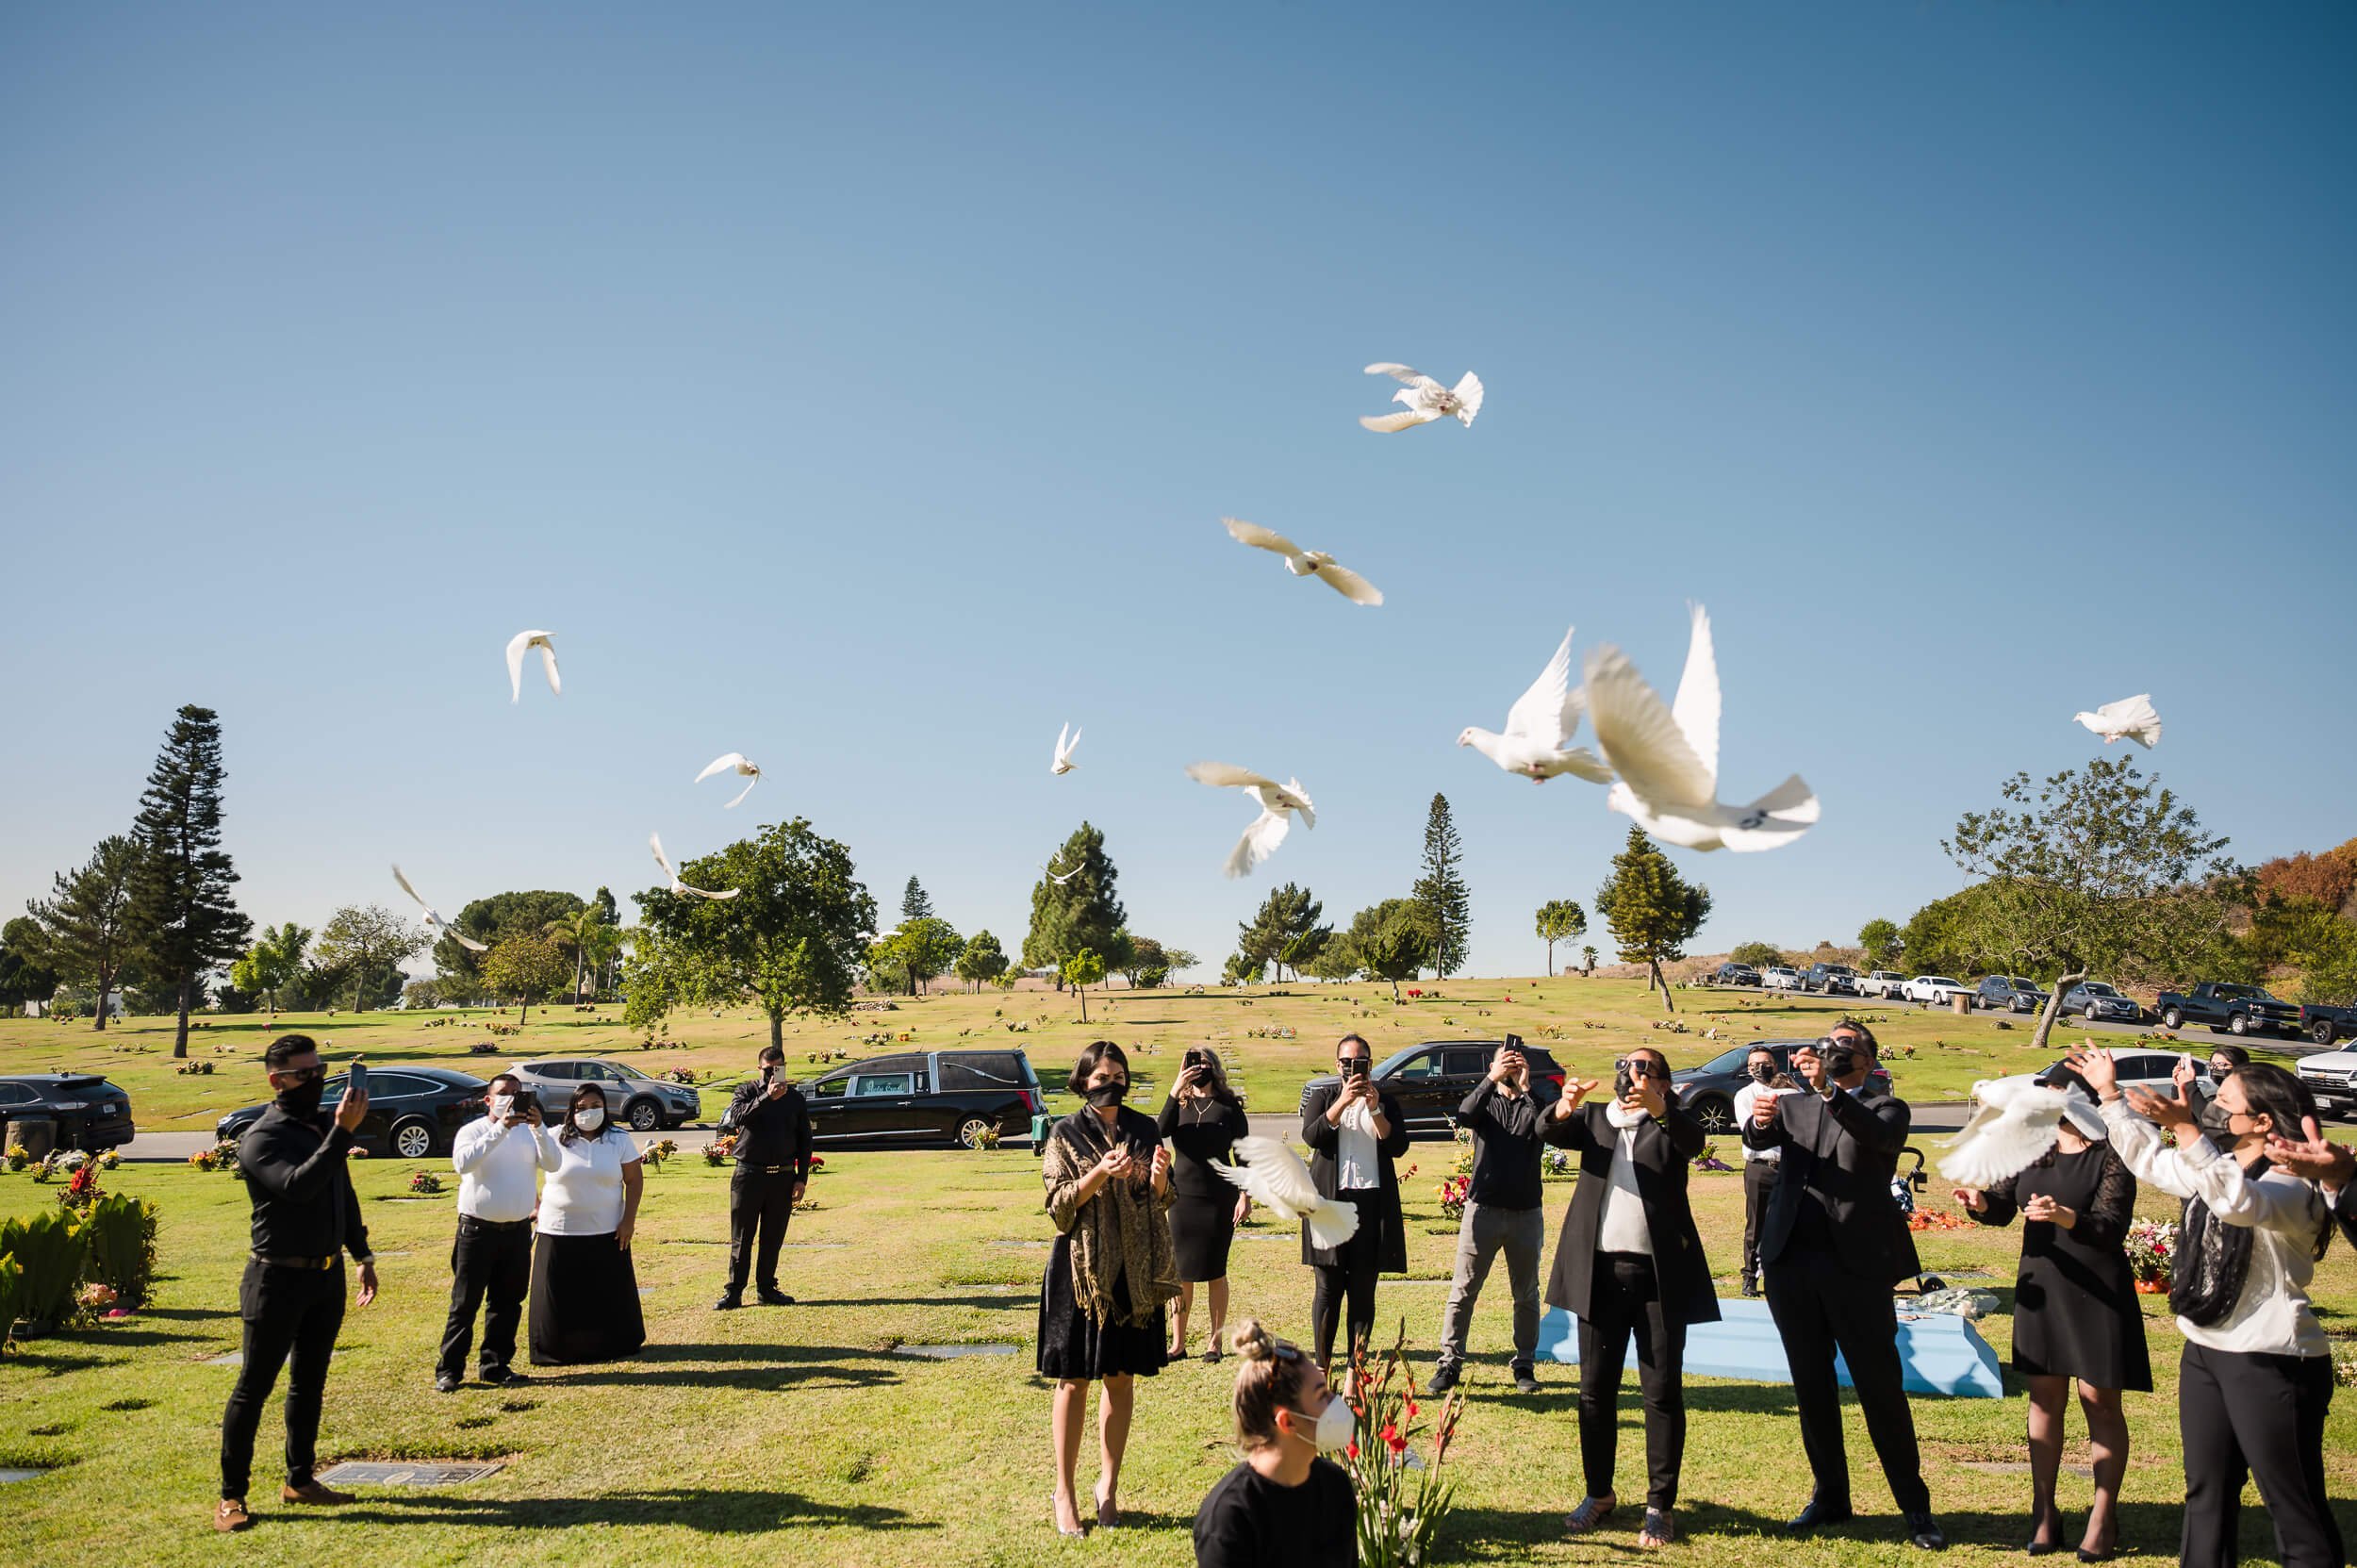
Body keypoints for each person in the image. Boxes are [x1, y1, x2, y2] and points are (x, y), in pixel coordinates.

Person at [2071, 1046, 2341, 1568]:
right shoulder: (2218, 1163)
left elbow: (2239, 1203)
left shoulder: (2294, 1183)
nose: (2215, 1108)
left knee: (2293, 1504)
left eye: (2227, 1104)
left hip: (2271, 1360)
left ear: (2263, 1121)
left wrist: (2190, 1131)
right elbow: (2151, 1160)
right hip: (2206, 1350)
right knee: (2206, 1491)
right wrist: (2109, 1097)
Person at [1743, 1020, 1944, 1550]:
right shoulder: (1796, 1104)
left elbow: (1876, 1140)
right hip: (1792, 1262)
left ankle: (1915, 1508)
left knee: (1880, 1388)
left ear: (1867, 1059)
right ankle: (1830, 1495)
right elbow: (1758, 1139)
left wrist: (1831, 1091)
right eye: (1828, 1042)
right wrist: (1763, 1118)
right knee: (1812, 1387)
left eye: (1845, 1045)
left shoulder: (1885, 1107)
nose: (1833, 1050)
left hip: (1857, 1267)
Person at [1952, 1089, 2149, 1560]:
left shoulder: (2112, 1149)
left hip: (2098, 1286)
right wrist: (1978, 1202)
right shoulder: (2031, 1144)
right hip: (2042, 1281)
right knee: (2044, 1398)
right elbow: (2002, 1206)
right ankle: (2045, 1510)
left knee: (2098, 1399)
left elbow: (2111, 1226)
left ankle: (2104, 1514)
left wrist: (2066, 1216)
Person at [1541, 1045, 1716, 1549]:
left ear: (1663, 1082)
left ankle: (1660, 1505)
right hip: (1599, 1273)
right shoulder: (1596, 1120)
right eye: (1625, 1066)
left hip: (1659, 1277)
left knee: (1661, 1393)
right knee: (1594, 1393)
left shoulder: (1672, 1123)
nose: (1632, 1074)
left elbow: (1692, 1142)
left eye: (1645, 1069)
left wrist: (1662, 1111)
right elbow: (1546, 1132)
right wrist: (1563, 1105)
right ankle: (1598, 1494)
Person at [215, 1034, 380, 1533]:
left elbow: (339, 1191)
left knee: (309, 1383)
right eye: (305, 1075)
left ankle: (299, 1479)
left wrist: (362, 1254)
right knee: (254, 1388)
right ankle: (230, 1497)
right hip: (275, 1278)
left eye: (320, 1071)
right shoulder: (262, 1137)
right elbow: (297, 1187)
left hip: (324, 1277)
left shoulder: (318, 1127)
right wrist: (340, 1133)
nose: (317, 1082)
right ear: (277, 1080)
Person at [1039, 1041, 1178, 1537]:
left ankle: (1108, 1488)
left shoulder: (1146, 1128)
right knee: (1073, 1380)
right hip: (1082, 1275)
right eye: (1100, 1077)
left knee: (1120, 1379)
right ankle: (1065, 1492)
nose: (1110, 1083)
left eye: (1118, 1075)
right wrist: (1099, 1173)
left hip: (1133, 1277)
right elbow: (1057, 1208)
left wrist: (1160, 1180)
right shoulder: (1065, 1132)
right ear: (1082, 1082)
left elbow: (1165, 1197)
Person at [1430, 1039, 1553, 1395]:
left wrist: (1527, 1087)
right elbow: (1464, 1115)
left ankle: (1525, 1364)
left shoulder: (1536, 1100)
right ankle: (1449, 1362)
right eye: (1504, 1062)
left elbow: (1547, 1128)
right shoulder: (1486, 1102)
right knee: (1463, 1290)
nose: (1511, 1067)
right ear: (1493, 1066)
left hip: (1526, 1212)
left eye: (1516, 1062)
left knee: (1526, 1293)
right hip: (1482, 1210)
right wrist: (1491, 1079)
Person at [1192, 1320, 1358, 1568]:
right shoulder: (1229, 1519)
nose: (1335, 1401)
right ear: (1287, 1422)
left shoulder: (1336, 1487)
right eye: (1322, 1395)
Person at [436, 1071, 557, 1393]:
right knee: (465, 1304)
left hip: (516, 1231)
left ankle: (495, 1365)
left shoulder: (530, 1134)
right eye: (504, 1092)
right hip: (477, 1230)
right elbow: (463, 1164)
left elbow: (553, 1163)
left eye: (517, 1092)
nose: (510, 1097)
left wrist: (539, 1127)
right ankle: (449, 1370)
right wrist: (501, 1128)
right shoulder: (472, 1130)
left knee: (507, 1302)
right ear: (488, 1099)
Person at [1298, 1033, 1410, 1372]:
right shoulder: (1324, 1095)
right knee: (1328, 1289)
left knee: (1363, 1291)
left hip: (1370, 1204)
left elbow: (1397, 1147)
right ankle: (1322, 1367)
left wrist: (1373, 1107)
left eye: (1359, 1062)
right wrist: (1343, 1102)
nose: (1352, 1068)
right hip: (1330, 1203)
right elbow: (1312, 1136)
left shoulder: (1385, 1102)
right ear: (1338, 1066)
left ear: (1370, 1064)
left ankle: (1354, 1369)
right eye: (1346, 1063)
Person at [529, 1082, 646, 1366]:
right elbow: (524, 1167)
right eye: (581, 1108)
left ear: (605, 1108)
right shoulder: (555, 1137)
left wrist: (628, 1220)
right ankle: (555, 1349)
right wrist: (533, 1204)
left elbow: (634, 1180)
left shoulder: (618, 1139)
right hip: (558, 1230)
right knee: (558, 1296)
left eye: (595, 1106)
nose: (588, 1112)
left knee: (605, 1295)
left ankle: (610, 1347)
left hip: (606, 1230)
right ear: (571, 1110)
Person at [1159, 1047, 1251, 1362]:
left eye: (1206, 1064)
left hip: (1218, 1198)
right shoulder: (1180, 1103)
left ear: (1216, 1068)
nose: (1200, 1070)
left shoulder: (1229, 1107)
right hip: (1182, 1197)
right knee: (1181, 1272)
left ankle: (1215, 1342)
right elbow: (1158, 1131)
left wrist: (1245, 1195)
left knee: (1215, 1270)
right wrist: (1176, 1086)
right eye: (1194, 1065)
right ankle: (1178, 1343)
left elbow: (1243, 1155)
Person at [715, 1044, 814, 1311]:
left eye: (778, 1069)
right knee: (742, 1237)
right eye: (769, 1070)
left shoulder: (795, 1099)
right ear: (759, 1068)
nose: (773, 1074)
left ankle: (767, 1288)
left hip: (781, 1177)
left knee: (773, 1237)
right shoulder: (746, 1092)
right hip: (749, 1175)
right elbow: (738, 1117)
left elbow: (805, 1140)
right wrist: (766, 1097)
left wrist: (801, 1178)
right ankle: (734, 1292)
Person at [1731, 1045, 1793, 1297]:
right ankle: (1750, 1276)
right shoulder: (1745, 1095)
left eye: (1765, 1063)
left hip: (1789, 1167)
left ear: (1775, 1065)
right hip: (1761, 1166)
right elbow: (1752, 1132)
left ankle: (1786, 1276)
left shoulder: (1790, 1092)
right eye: (1754, 1064)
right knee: (1756, 1224)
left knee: (1792, 1222)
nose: (1760, 1068)